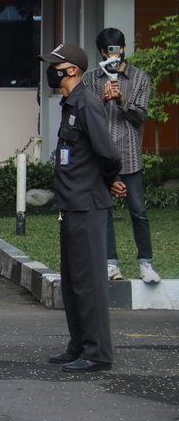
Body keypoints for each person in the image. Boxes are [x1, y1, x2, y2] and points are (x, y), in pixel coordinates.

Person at [40, 44, 127, 372]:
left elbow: (109, 154)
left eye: (56, 66)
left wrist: (107, 180)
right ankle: (78, 346)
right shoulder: (70, 104)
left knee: (89, 282)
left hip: (87, 205)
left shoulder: (88, 104)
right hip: (71, 204)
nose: (51, 71)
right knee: (74, 282)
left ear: (72, 70)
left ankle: (97, 353)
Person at [81, 28, 158, 283]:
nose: (113, 55)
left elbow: (140, 116)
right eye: (107, 51)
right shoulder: (91, 79)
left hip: (130, 155)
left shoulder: (140, 77)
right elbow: (86, 116)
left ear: (123, 48)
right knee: (104, 212)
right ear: (101, 52)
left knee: (139, 211)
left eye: (117, 49)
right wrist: (103, 99)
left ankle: (146, 263)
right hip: (101, 157)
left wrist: (122, 100)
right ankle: (110, 263)